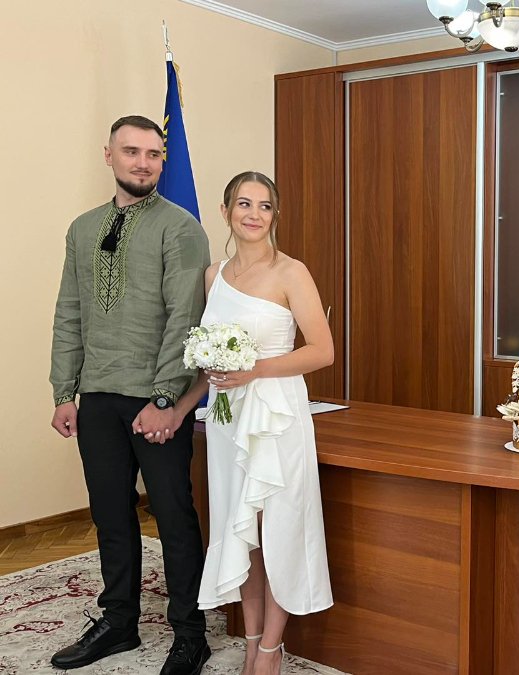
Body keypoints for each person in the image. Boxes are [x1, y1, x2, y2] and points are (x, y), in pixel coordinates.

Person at [49, 116, 211, 673]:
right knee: (111, 515)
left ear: (163, 161)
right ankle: (119, 623)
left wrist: (165, 399)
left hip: (154, 399)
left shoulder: (181, 227)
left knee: (173, 515)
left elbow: (185, 318)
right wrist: (64, 390)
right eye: (132, 151)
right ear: (109, 155)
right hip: (96, 397)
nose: (144, 162)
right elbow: (70, 311)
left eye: (154, 154)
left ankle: (190, 634)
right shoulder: (82, 228)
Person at [164, 171, 334, 675]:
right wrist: (187, 401)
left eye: (264, 206)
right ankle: (252, 637)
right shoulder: (213, 276)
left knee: (276, 528)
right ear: (226, 212)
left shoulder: (291, 272)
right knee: (243, 530)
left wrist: (254, 369)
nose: (254, 214)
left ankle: (271, 649)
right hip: (226, 417)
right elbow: (207, 358)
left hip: (276, 414)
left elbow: (322, 351)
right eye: (244, 203)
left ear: (274, 215)